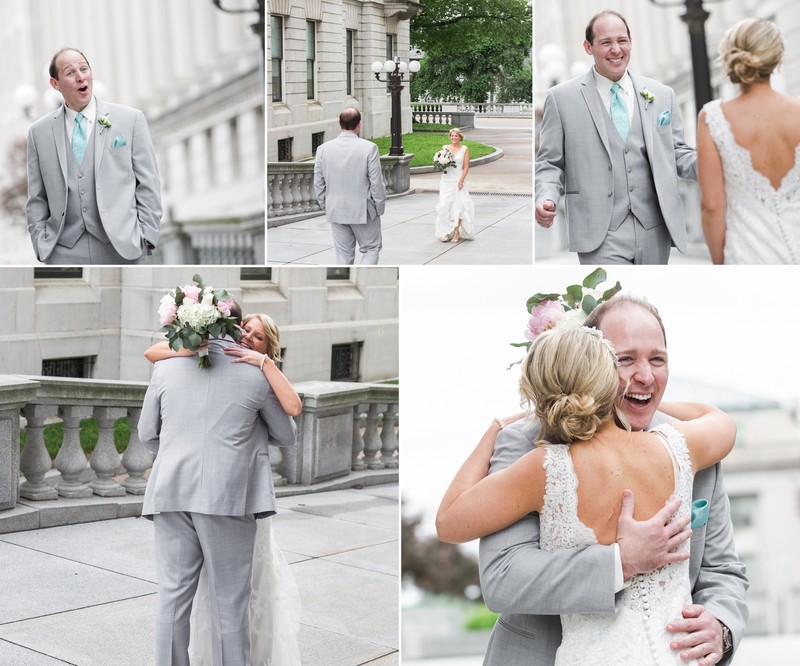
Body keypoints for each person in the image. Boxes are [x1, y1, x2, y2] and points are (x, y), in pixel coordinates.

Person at [463, 295, 748, 665]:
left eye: (657, 359)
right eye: (625, 359)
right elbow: (503, 577)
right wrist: (621, 561)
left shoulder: (693, 447)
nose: (645, 375)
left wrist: (722, 627)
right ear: (592, 363)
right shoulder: (526, 443)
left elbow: (723, 570)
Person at [139, 304, 297, 665]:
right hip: (228, 498)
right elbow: (286, 436)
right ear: (233, 325)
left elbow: (148, 435)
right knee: (230, 604)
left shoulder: (165, 368)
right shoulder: (256, 374)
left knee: (172, 597)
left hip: (170, 492)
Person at [535, 11, 697, 264]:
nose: (616, 50)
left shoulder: (661, 94)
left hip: (654, 229)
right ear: (588, 47)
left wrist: (716, 161)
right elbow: (549, 162)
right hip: (598, 231)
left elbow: (677, 153)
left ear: (631, 42)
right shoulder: (561, 98)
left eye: (622, 41)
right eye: (606, 42)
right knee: (611, 300)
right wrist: (546, 196)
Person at [26, 48, 162, 264]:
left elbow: (148, 184)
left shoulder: (130, 120)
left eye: (84, 68)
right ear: (55, 84)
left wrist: (146, 237)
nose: (81, 77)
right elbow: (36, 197)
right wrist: (41, 243)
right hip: (63, 251)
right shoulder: (38, 133)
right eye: (70, 73)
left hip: (123, 247)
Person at [697, 18, 800, 264]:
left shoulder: (713, 118)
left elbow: (712, 206)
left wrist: (719, 263)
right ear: (777, 58)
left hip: (748, 257)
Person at [314, 107, 387, 265]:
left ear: (339, 123)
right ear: (359, 124)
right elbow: (376, 182)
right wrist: (379, 207)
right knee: (371, 249)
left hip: (336, 208)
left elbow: (318, 183)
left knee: (343, 257)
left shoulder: (323, 149)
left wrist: (326, 205)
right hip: (364, 209)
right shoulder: (369, 148)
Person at [435, 128, 475, 243]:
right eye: (452, 136)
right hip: (446, 180)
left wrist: (461, 181)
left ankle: (456, 231)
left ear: (460, 137)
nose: (454, 138)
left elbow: (466, 166)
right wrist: (442, 164)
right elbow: (441, 164)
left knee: (458, 206)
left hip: (458, 180)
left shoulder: (464, 149)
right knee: (444, 206)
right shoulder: (445, 148)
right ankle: (446, 231)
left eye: (456, 136)